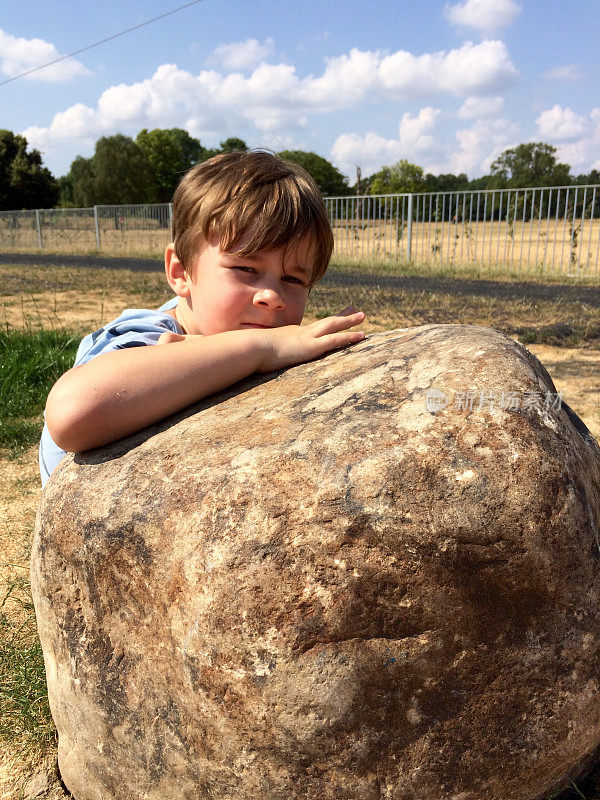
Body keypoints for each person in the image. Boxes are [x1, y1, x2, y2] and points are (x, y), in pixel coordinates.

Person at [39, 150, 366, 487]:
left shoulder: (226, 319)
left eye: (294, 280)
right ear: (180, 272)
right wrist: (257, 347)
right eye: (246, 269)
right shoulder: (146, 335)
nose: (272, 296)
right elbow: (71, 412)